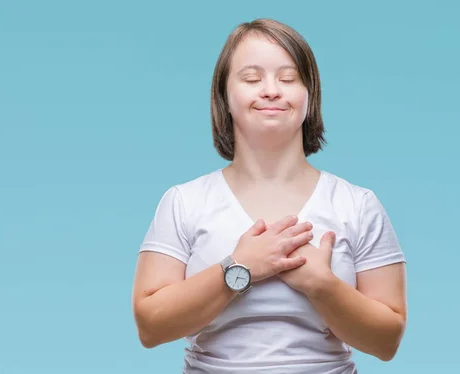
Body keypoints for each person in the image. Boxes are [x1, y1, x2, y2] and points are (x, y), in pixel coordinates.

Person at [131, 18, 407, 374]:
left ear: (310, 96)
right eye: (251, 78)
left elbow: (387, 342)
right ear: (224, 97)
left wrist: (322, 286)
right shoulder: (183, 202)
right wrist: (240, 268)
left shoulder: (358, 204)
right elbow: (150, 327)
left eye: (288, 78)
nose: (271, 90)